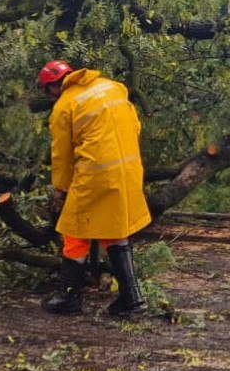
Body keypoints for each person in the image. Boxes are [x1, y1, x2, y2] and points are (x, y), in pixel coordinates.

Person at [36, 60, 151, 317]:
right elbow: (135, 125)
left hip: (96, 174)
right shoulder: (112, 87)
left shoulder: (64, 106)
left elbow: (62, 156)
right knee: (114, 228)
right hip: (129, 169)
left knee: (75, 230)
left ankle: (70, 298)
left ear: (53, 87)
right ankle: (132, 299)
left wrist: (60, 190)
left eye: (47, 91)